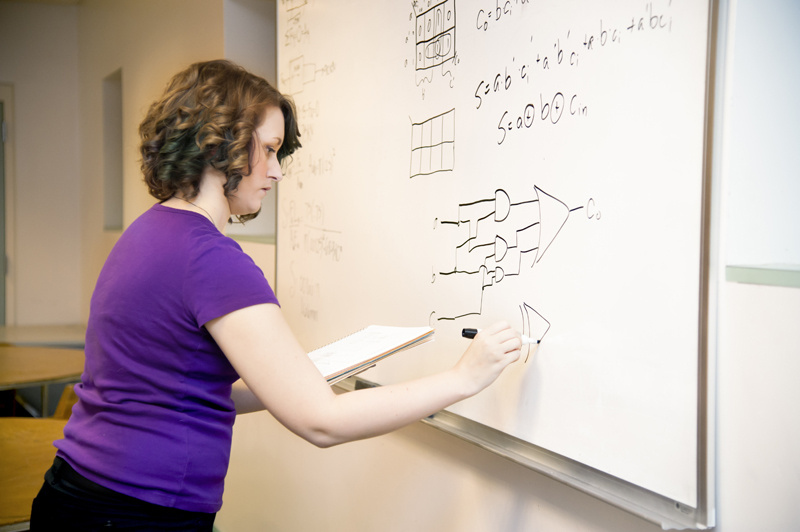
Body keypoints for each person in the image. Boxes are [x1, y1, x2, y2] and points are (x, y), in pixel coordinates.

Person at [30, 59, 522, 531]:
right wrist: (464, 378)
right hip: (136, 514)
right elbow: (321, 423)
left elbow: (179, 390)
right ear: (219, 144)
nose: (277, 170)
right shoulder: (212, 259)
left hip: (78, 495)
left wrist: (292, 377)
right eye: (267, 149)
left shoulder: (148, 231)